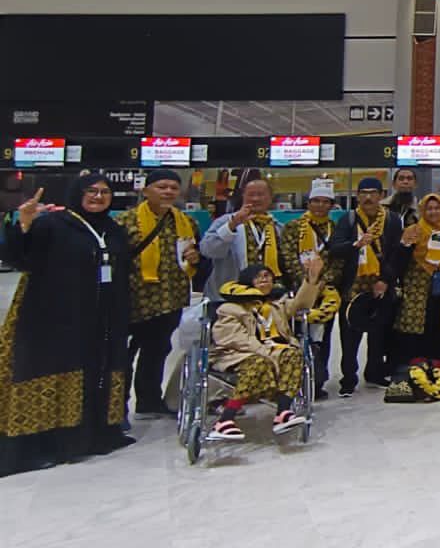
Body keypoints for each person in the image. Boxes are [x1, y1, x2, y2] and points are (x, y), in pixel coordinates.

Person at [0, 176, 135, 476]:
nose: (98, 197)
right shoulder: (53, 224)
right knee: (48, 375)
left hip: (100, 319)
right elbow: (19, 258)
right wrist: (22, 225)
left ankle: (91, 436)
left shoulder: (113, 230)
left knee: (93, 374)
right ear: (77, 193)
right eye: (92, 191)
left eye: (105, 192)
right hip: (53, 318)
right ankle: (38, 447)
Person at [205, 256, 326, 440]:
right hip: (240, 354)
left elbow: (301, 305)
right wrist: (267, 353)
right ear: (248, 281)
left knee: (294, 354)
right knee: (259, 364)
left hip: (275, 350)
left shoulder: (277, 305)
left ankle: (283, 412)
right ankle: (225, 420)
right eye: (259, 276)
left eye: (268, 276)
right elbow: (234, 339)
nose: (265, 279)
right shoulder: (230, 309)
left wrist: (312, 278)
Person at [119, 167, 200, 419]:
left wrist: (195, 259)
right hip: (134, 299)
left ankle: (149, 399)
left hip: (170, 299)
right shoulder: (126, 221)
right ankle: (117, 406)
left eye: (173, 188)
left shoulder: (186, 222)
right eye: (161, 186)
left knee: (158, 350)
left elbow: (194, 259)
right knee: (123, 356)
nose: (168, 192)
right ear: (146, 190)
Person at [327, 176, 403, 394]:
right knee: (349, 336)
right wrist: (356, 244)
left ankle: (375, 373)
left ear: (381, 195)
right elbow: (335, 248)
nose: (368, 197)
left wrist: (385, 281)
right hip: (353, 285)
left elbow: (395, 254)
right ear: (357, 196)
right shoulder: (348, 220)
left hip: (380, 284)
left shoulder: (392, 220)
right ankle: (348, 379)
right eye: (363, 193)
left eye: (373, 193)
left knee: (379, 333)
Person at [279, 178, 343, 400]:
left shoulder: (335, 229)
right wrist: (308, 282)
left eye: (325, 202)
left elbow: (338, 260)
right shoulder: (293, 228)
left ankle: (318, 381)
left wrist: (323, 282)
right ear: (308, 202)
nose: (320, 206)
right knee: (297, 337)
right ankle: (295, 381)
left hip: (326, 294)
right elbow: (287, 257)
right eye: (316, 201)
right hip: (300, 291)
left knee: (322, 340)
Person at [390, 193, 440, 371]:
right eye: (429, 208)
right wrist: (405, 245)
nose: (433, 212)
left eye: (437, 208)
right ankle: (415, 369)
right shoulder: (414, 230)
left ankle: (439, 369)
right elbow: (398, 262)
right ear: (423, 211)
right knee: (416, 330)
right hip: (417, 293)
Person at [201, 173, 299, 303]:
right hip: (229, 296)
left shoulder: (278, 228)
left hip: (270, 297)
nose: (256, 199)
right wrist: (232, 225)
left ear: (270, 198)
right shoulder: (225, 221)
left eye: (261, 194)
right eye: (251, 194)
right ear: (243, 197)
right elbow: (207, 250)